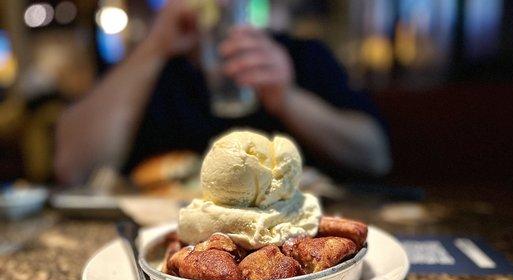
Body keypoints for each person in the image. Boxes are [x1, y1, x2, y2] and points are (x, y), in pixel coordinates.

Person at [54, 0, 391, 185]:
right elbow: (72, 168)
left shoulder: (303, 56)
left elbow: (374, 156)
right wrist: (153, 48)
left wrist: (287, 98)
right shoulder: (149, 71)